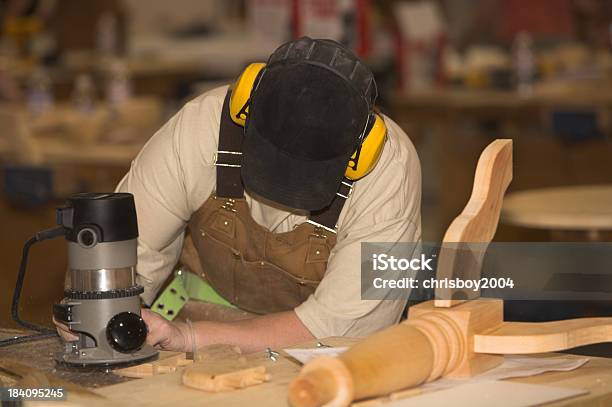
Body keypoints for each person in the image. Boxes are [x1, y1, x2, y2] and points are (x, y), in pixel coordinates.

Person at [56, 37, 421, 352]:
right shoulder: (201, 128)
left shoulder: (389, 170)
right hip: (197, 320)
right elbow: (130, 253)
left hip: (321, 357)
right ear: (245, 105)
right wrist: (96, 308)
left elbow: (339, 326)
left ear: (361, 151)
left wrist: (191, 338)